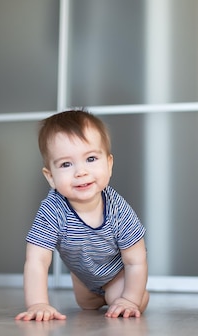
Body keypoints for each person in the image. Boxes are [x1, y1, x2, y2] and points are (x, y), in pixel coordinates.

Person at [15, 109, 149, 321]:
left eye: (91, 158)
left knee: (118, 301)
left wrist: (130, 299)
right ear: (50, 177)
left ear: (109, 164)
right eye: (66, 164)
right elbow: (36, 260)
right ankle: (96, 294)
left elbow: (136, 261)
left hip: (116, 275)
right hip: (83, 278)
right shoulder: (52, 210)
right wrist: (38, 304)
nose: (81, 172)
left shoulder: (117, 209)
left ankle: (136, 295)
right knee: (87, 305)